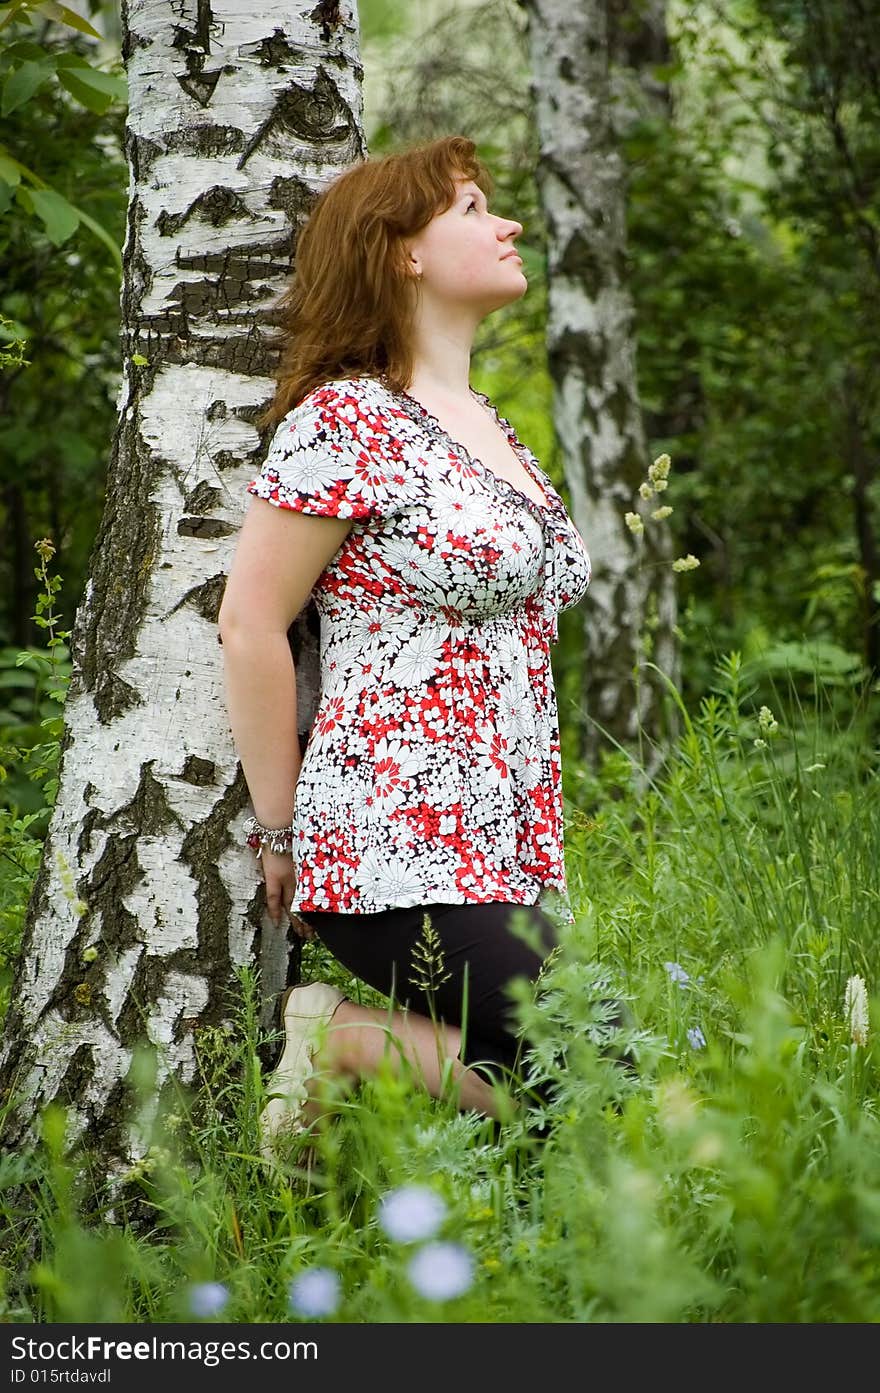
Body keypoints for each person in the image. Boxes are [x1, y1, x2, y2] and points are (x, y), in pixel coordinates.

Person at [217, 135, 592, 1164]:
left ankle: (343, 1041)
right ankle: (335, 1032)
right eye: (474, 207)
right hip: (390, 850)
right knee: (600, 1075)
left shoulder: (489, 428)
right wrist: (283, 836)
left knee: (573, 1085)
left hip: (503, 847)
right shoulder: (348, 420)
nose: (507, 223)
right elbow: (250, 622)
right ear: (404, 254)